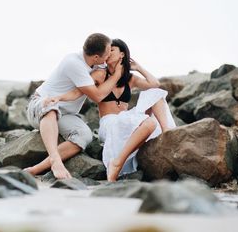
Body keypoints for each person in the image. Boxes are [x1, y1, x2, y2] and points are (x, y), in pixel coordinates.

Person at [44, 39, 176, 181]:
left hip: (126, 120)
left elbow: (155, 84)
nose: (107, 54)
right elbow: (77, 92)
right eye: (107, 51)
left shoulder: (129, 78)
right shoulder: (100, 74)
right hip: (110, 123)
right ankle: (117, 163)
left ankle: (167, 133)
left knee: (155, 94)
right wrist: (58, 97)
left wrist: (138, 67)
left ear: (122, 55)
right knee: (150, 123)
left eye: (112, 50)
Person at [25, 33, 123, 179]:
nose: (109, 56)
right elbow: (96, 96)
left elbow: (103, 73)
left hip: (65, 115)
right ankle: (55, 160)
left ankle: (35, 169)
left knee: (85, 136)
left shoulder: (98, 62)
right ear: (96, 56)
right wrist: (117, 75)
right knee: (51, 107)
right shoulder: (73, 63)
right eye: (108, 52)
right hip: (40, 104)